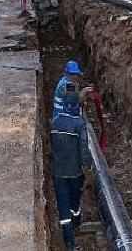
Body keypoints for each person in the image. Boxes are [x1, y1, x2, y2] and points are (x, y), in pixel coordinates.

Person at [50, 82, 91, 251]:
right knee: (74, 201)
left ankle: (69, 242)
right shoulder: (79, 123)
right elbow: (83, 148)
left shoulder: (55, 121)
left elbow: (52, 147)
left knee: (63, 204)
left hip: (58, 172)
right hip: (75, 172)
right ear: (76, 104)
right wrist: (87, 168)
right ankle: (76, 224)